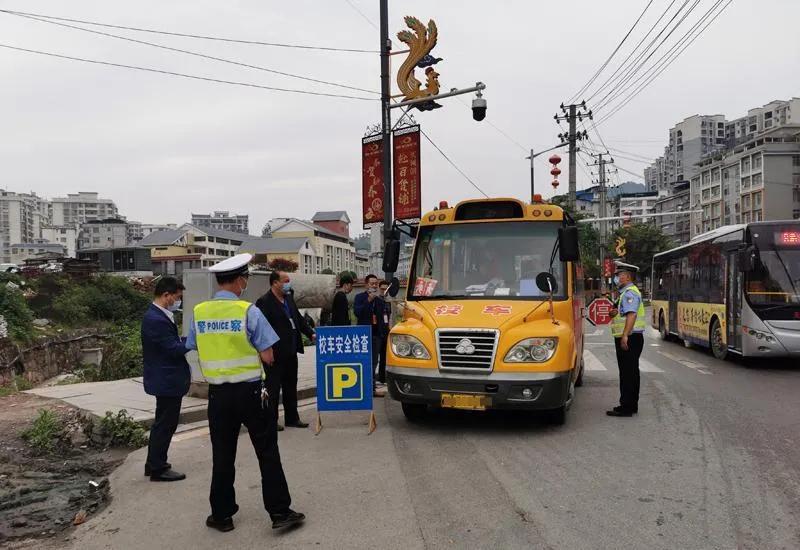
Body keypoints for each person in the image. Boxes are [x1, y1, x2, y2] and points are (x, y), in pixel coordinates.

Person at [185, 254, 304, 532]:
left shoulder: (200, 312)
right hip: (251, 393)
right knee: (266, 451)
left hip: (218, 397)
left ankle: (221, 515)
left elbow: (194, 345)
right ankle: (280, 512)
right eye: (245, 279)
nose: (245, 284)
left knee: (223, 455)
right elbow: (268, 354)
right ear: (240, 280)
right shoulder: (248, 310)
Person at [141, 277, 189, 482]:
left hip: (166, 378)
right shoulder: (155, 319)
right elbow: (173, 349)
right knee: (166, 424)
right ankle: (158, 468)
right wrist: (192, 341)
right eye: (177, 297)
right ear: (166, 295)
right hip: (167, 379)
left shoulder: (161, 315)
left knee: (162, 423)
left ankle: (152, 464)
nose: (178, 301)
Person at [256, 271, 316, 431]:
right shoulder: (264, 302)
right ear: (275, 283)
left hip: (291, 350)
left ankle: (292, 418)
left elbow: (298, 318)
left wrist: (310, 333)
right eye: (286, 281)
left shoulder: (288, 298)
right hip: (274, 353)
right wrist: (265, 349)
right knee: (273, 388)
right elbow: (261, 328)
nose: (289, 283)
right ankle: (271, 420)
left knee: (291, 386)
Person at [606, 261, 646, 417]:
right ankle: (631, 404)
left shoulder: (630, 293)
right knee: (631, 372)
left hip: (630, 338)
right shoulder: (625, 293)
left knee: (627, 373)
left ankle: (626, 407)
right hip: (632, 337)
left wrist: (624, 336)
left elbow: (632, 315)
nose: (617, 278)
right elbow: (623, 313)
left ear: (627, 277)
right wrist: (613, 313)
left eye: (619, 275)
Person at [354, 274, 387, 396]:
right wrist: (369, 300)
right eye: (371, 283)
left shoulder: (379, 300)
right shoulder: (359, 297)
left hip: (376, 334)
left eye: (375, 284)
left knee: (374, 362)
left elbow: (382, 317)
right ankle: (362, 389)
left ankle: (372, 389)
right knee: (363, 361)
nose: (373, 285)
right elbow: (358, 313)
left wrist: (383, 333)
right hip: (363, 335)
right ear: (366, 284)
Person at [376, 280, 393, 384]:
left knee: (384, 356)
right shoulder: (376, 300)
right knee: (375, 357)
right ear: (379, 288)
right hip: (377, 331)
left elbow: (390, 316)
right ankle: (373, 378)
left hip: (386, 331)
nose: (384, 291)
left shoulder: (388, 301)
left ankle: (382, 377)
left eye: (386, 289)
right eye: (382, 289)